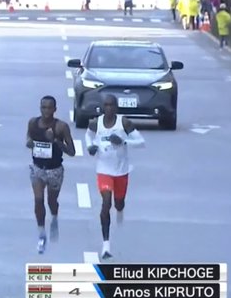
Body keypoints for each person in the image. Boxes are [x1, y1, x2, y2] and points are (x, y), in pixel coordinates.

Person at [84, 94, 146, 260]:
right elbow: (88, 135)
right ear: (102, 107)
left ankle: (120, 210)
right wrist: (91, 146)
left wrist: (123, 141)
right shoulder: (95, 123)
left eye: (112, 105)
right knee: (106, 204)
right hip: (103, 170)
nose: (109, 108)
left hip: (121, 171)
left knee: (119, 203)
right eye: (106, 105)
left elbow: (141, 142)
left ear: (116, 107)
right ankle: (106, 245)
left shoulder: (124, 123)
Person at [26, 96, 77, 254]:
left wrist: (55, 141)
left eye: (49, 108)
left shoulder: (61, 127)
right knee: (38, 200)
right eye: (43, 108)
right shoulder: (33, 123)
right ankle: (42, 234)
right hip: (37, 168)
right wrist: (29, 143)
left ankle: (54, 217)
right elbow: (28, 139)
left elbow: (72, 152)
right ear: (40, 108)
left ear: (55, 109)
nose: (46, 111)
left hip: (55, 170)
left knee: (51, 201)